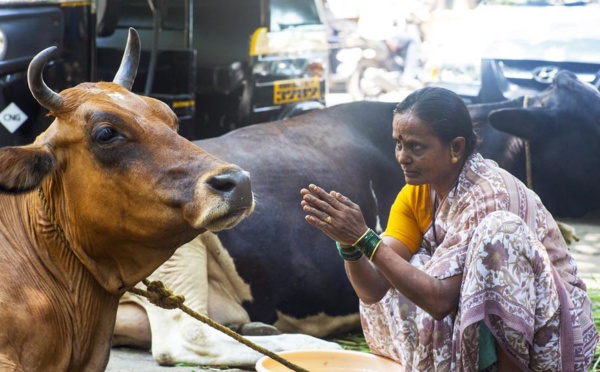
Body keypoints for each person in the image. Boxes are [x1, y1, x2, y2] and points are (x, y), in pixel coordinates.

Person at [300, 87, 598, 371]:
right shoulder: (416, 193)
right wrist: (350, 246)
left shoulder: (492, 194)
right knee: (400, 266)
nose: (403, 157)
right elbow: (375, 289)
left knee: (500, 231)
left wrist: (366, 238)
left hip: (551, 344)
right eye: (398, 143)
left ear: (456, 147)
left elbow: (440, 300)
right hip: (473, 336)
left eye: (416, 147)